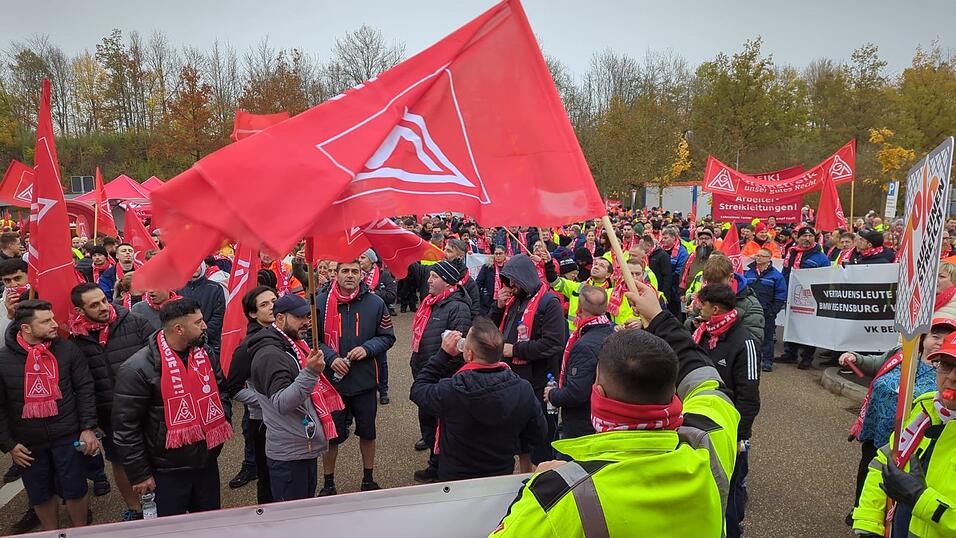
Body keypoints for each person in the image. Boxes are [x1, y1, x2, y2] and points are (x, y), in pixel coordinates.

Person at [489, 279, 740, 537]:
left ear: (598, 394)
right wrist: (658, 317)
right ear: (673, 392)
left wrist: (535, 488)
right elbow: (705, 379)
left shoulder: (559, 500)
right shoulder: (711, 441)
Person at [112, 298, 232, 517]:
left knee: (209, 523)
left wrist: (223, 417)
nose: (205, 326)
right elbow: (126, 428)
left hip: (205, 462)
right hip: (165, 471)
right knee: (171, 528)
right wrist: (140, 474)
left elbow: (221, 391)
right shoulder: (136, 369)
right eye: (198, 322)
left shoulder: (204, 353)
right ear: (179, 329)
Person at [840, 318, 954, 528]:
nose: (952, 377)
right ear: (923, 339)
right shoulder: (923, 403)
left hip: (910, 450)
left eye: (946, 338)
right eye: (946, 365)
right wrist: (868, 522)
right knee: (870, 471)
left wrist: (919, 498)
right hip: (878, 432)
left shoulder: (933, 403)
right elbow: (875, 364)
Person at [0, 300, 99, 531]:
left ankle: (80, 531)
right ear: (26, 328)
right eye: (46, 321)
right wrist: (9, 445)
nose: (55, 324)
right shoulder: (3, 360)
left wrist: (88, 427)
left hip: (67, 434)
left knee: (75, 488)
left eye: (53, 318)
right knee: (39, 493)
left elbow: (85, 388)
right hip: (27, 442)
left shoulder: (68, 349)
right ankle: (51, 532)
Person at [410, 318, 546, 480]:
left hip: (456, 477)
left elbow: (418, 390)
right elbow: (538, 432)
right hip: (500, 473)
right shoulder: (522, 389)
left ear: (468, 354)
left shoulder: (452, 389)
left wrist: (443, 355)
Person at [67, 283, 153, 521]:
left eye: (103, 300)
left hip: (146, 407)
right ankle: (135, 509)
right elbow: (79, 386)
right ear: (80, 311)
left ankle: (163, 504)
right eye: (94, 305)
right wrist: (89, 422)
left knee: (156, 456)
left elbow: (158, 359)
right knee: (120, 461)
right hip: (109, 415)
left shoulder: (136, 322)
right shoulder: (75, 341)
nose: (103, 307)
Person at [313, 260, 396, 495]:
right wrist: (330, 357)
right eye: (345, 271)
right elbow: (311, 338)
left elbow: (387, 336)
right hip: (333, 384)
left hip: (365, 381)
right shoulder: (320, 303)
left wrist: (367, 348)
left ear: (362, 274)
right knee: (332, 437)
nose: (350, 275)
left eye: (355, 271)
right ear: (336, 274)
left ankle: (368, 478)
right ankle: (328, 483)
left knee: (368, 433)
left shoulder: (376, 303)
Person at [248, 294, 338, 501]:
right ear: (280, 318)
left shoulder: (293, 344)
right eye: (299, 317)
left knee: (304, 509)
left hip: (302, 446)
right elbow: (282, 403)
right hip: (289, 454)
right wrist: (311, 372)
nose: (306, 322)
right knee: (293, 514)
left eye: (307, 316)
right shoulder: (271, 354)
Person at [694, 284, 761, 538]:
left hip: (728, 433)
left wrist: (737, 436)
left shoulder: (745, 342)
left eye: (701, 304)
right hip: (701, 427)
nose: (697, 307)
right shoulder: (702, 333)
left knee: (730, 493)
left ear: (715, 309)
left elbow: (749, 398)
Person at [489, 254, 565, 468]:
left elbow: (553, 343)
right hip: (514, 379)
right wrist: (498, 307)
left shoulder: (549, 303)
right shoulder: (513, 301)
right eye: (508, 281)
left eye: (514, 281)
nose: (511, 286)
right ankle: (524, 472)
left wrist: (515, 350)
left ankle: (543, 477)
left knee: (541, 436)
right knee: (520, 437)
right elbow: (489, 331)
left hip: (539, 382)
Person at [408, 260, 472, 481]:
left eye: (434, 276)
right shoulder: (431, 302)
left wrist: (438, 373)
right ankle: (435, 462)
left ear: (447, 281)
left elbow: (457, 348)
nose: (428, 280)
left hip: (441, 378)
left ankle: (439, 468)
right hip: (427, 373)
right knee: (428, 422)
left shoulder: (458, 308)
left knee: (441, 426)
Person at [221, 286, 277, 502]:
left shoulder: (282, 333)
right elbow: (232, 387)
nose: (272, 307)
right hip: (262, 421)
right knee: (268, 477)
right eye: (264, 304)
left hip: (286, 417)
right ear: (253, 313)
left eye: (274, 301)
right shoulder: (248, 346)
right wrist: (267, 402)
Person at [545, 285, 613, 443]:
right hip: (603, 419)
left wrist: (552, 394)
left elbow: (576, 394)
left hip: (582, 426)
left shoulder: (584, 346)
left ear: (579, 308)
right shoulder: (612, 333)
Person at [777, 227, 831, 369]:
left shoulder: (821, 257)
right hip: (792, 296)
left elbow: (825, 278)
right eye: (804, 236)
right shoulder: (792, 253)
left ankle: (807, 357)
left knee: (809, 328)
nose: (807, 239)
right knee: (791, 324)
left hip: (810, 299)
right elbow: (785, 273)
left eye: (810, 236)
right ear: (798, 238)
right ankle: (790, 353)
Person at [685, 255, 765, 343]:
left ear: (730, 277)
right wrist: (694, 325)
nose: (713, 289)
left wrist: (720, 327)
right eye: (709, 284)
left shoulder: (750, 304)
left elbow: (754, 340)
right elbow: (688, 323)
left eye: (718, 284)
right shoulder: (704, 295)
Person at [358, 249, 397, 404]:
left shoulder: (384, 275)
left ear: (371, 260)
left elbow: (392, 295)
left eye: (363, 257)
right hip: (361, 320)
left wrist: (374, 294)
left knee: (381, 357)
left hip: (379, 319)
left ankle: (383, 390)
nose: (360, 260)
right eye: (359, 257)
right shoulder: (356, 275)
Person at [743, 248, 787, 372]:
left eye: (762, 256)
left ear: (769, 259)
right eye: (757, 255)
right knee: (749, 336)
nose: (758, 258)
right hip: (750, 311)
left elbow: (780, 295)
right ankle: (750, 359)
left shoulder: (776, 276)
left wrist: (773, 311)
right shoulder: (749, 273)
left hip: (767, 312)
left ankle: (767, 361)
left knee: (767, 337)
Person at [178, 263, 226, 359]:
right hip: (184, 344)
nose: (194, 268)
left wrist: (202, 335)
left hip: (210, 344)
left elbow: (218, 317)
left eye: (197, 265)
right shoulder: (178, 289)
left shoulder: (215, 288)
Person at [444, 238, 481, 319]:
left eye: (449, 251)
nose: (444, 253)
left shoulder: (469, 283)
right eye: (445, 249)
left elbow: (474, 310)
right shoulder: (436, 274)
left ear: (460, 256)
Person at [660, 227, 689, 317]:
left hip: (675, 286)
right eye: (662, 238)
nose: (663, 240)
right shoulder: (661, 249)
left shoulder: (682, 251)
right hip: (663, 285)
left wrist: (668, 277)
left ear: (673, 238)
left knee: (675, 311)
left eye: (666, 238)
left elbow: (681, 269)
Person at [476, 246, 507, 316]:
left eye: (500, 253)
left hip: (504, 300)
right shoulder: (487, 267)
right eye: (496, 254)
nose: (498, 256)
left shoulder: (509, 267)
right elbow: (478, 282)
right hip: (488, 302)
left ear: (505, 254)